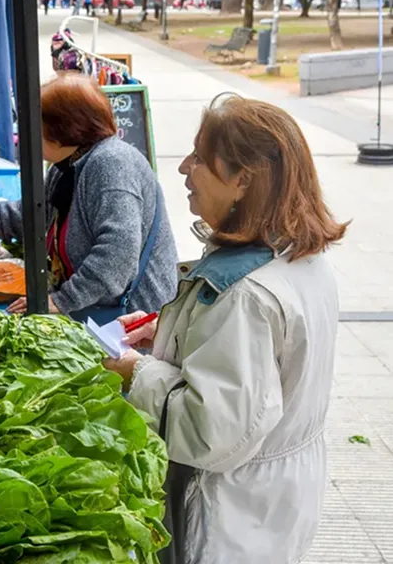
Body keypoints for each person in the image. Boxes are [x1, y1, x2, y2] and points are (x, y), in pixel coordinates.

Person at [104, 95, 348, 564]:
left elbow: (210, 429)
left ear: (242, 180)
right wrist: (176, 334)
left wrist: (136, 371)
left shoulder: (246, 295)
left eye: (199, 157)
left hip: (227, 518)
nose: (183, 170)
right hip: (272, 501)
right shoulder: (299, 257)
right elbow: (261, 371)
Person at [0, 74, 178, 323]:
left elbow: (116, 257)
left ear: (63, 129)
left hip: (132, 323)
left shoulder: (112, 166)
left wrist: (61, 300)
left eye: (36, 125)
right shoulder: (67, 165)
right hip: (97, 311)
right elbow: (28, 216)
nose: (28, 133)